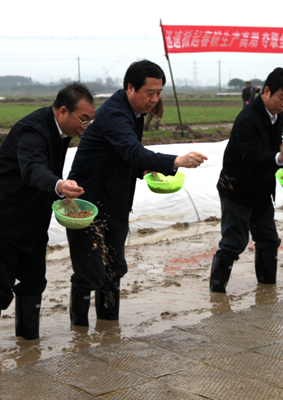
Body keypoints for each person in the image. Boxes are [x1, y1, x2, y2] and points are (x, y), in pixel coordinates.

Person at [66, 60, 208, 327]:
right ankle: (79, 335)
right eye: (149, 93)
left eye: (159, 93)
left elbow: (123, 155)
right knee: (90, 273)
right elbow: (132, 151)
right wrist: (176, 160)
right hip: (86, 202)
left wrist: (143, 170)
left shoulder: (135, 112)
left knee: (114, 269)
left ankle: (108, 328)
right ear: (130, 87)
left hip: (115, 200)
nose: (154, 99)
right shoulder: (114, 114)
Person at [0, 82, 95, 349]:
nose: (85, 127)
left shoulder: (62, 131)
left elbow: (44, 172)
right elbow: (33, 168)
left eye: (89, 121)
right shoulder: (33, 130)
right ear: (64, 111)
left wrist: (60, 190)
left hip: (31, 215)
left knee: (34, 281)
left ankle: (28, 347)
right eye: (83, 119)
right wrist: (59, 185)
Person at [210, 68, 283, 293]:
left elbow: (272, 143)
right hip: (235, 186)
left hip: (260, 188)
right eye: (281, 97)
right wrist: (279, 157)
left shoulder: (276, 114)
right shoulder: (248, 118)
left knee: (269, 240)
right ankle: (217, 295)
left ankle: (267, 290)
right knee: (233, 243)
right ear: (266, 91)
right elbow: (251, 156)